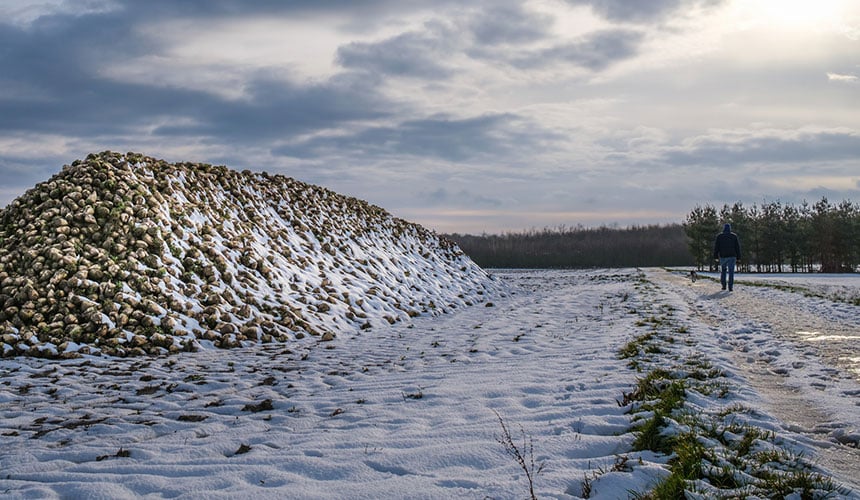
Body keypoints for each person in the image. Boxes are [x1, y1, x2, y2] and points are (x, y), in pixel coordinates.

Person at [713, 223, 741, 291]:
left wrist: (715, 256)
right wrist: (739, 258)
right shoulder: (734, 236)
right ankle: (730, 287)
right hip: (732, 256)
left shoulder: (719, 236)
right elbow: (737, 247)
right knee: (731, 272)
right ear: (730, 229)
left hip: (723, 256)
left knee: (723, 271)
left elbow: (716, 247)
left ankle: (724, 285)